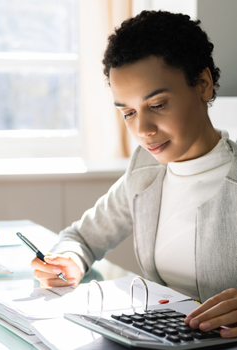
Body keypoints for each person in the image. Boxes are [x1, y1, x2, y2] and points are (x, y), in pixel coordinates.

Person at [31, 10, 237, 338]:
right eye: (128, 112)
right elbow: (81, 238)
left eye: (157, 105)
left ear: (203, 84)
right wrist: (69, 261)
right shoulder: (145, 170)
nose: (142, 130)